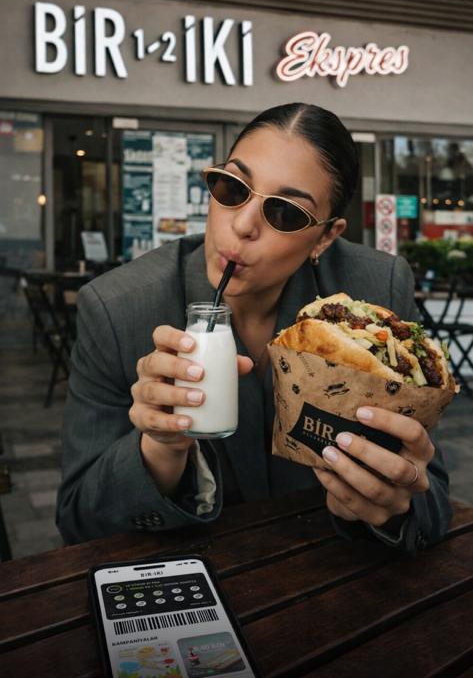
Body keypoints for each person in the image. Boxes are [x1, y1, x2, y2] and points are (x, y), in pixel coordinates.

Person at [56, 103, 452, 555]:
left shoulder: (374, 296)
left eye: (284, 213)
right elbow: (78, 522)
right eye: (232, 187)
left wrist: (393, 506)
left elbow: (431, 503)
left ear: (325, 237)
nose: (242, 225)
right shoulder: (117, 309)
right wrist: (160, 451)